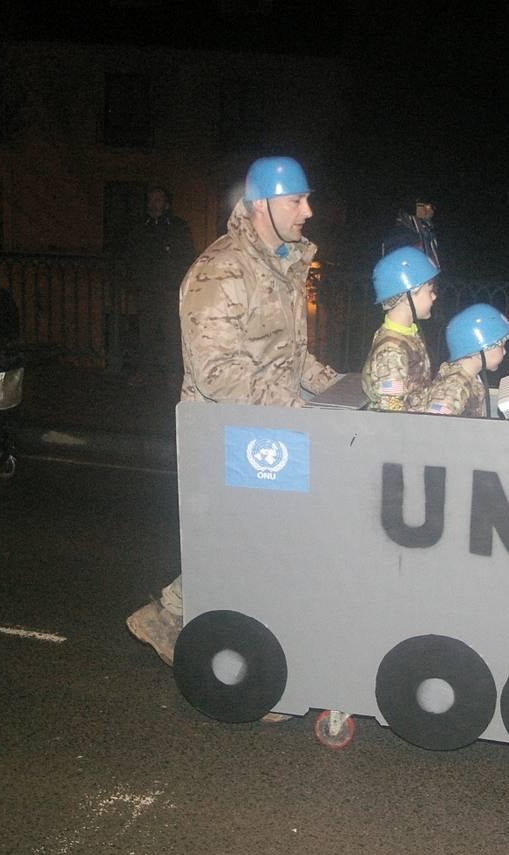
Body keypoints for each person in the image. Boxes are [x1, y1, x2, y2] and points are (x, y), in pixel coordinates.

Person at [127, 156, 340, 673]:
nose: (308, 210)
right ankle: (236, 661)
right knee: (249, 544)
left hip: (267, 430)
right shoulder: (221, 270)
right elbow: (216, 372)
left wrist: (336, 387)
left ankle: (174, 617)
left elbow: (285, 355)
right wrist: (294, 410)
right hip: (224, 435)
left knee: (252, 539)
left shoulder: (282, 265)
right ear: (262, 203)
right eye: (297, 200)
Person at [120, 186, 195, 387]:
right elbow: (131, 256)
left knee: (172, 335)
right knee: (146, 335)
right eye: (151, 200)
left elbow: (188, 257)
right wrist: (134, 281)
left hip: (170, 291)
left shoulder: (178, 227)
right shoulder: (140, 227)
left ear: (167, 204)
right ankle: (144, 372)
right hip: (147, 291)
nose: (154, 204)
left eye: (158, 200)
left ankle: (174, 376)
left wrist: (179, 283)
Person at [361, 246, 439, 411]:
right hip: (401, 433)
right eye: (430, 291)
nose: (434, 296)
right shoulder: (391, 350)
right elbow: (391, 411)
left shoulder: (408, 334)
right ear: (408, 295)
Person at [425, 303, 509, 417]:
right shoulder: (452, 389)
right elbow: (433, 426)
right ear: (480, 349)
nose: (505, 351)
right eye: (501, 346)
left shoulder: (470, 378)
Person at [381, 197, 440, 268]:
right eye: (430, 206)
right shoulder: (400, 233)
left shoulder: (426, 230)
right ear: (416, 207)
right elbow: (396, 267)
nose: (432, 210)